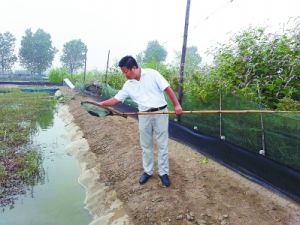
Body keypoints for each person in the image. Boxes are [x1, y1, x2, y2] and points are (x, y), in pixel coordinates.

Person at [94, 55, 182, 187]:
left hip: (160, 112)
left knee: (162, 144)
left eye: (125, 71)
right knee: (146, 144)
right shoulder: (128, 85)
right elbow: (116, 100)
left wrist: (176, 105)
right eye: (123, 72)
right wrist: (101, 104)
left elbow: (167, 89)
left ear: (133, 68)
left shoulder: (152, 74)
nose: (124, 74)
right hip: (143, 114)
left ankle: (164, 173)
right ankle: (148, 171)